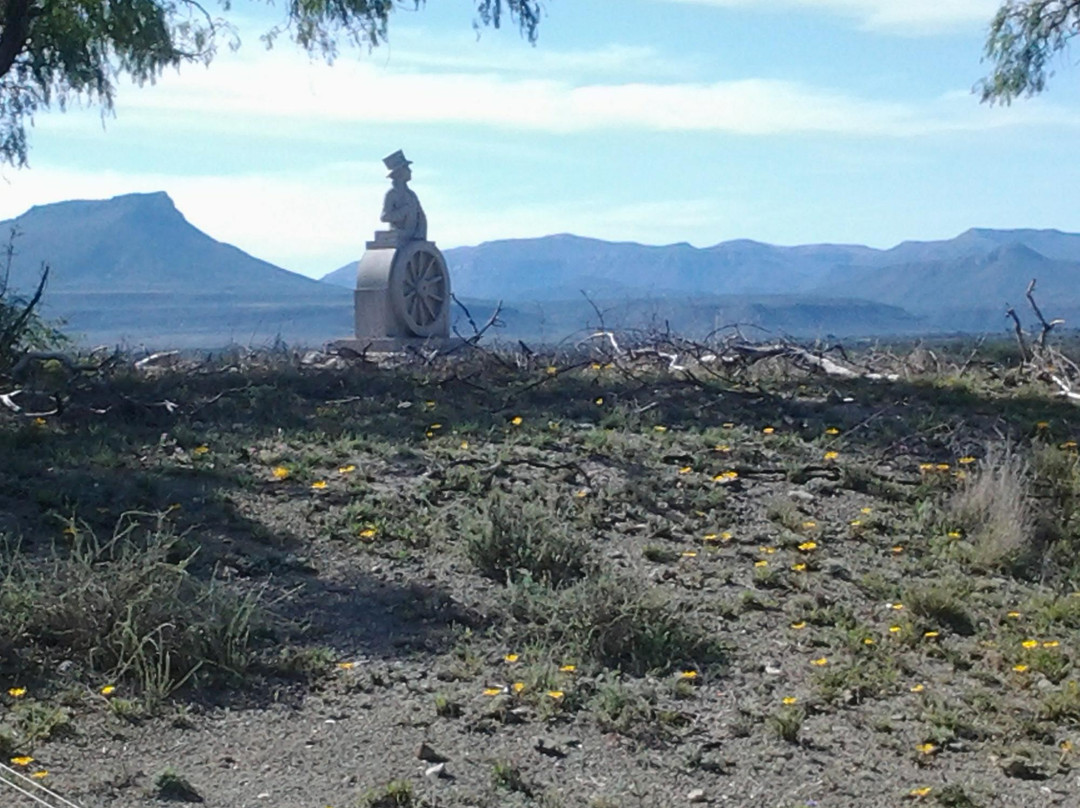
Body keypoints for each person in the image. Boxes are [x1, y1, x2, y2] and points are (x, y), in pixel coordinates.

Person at [380, 150, 427, 242]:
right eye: (406, 168)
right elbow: (385, 217)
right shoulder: (392, 194)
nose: (410, 171)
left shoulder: (411, 195)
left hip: (414, 237)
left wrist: (421, 234)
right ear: (399, 172)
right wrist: (404, 210)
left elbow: (421, 217)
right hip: (398, 237)